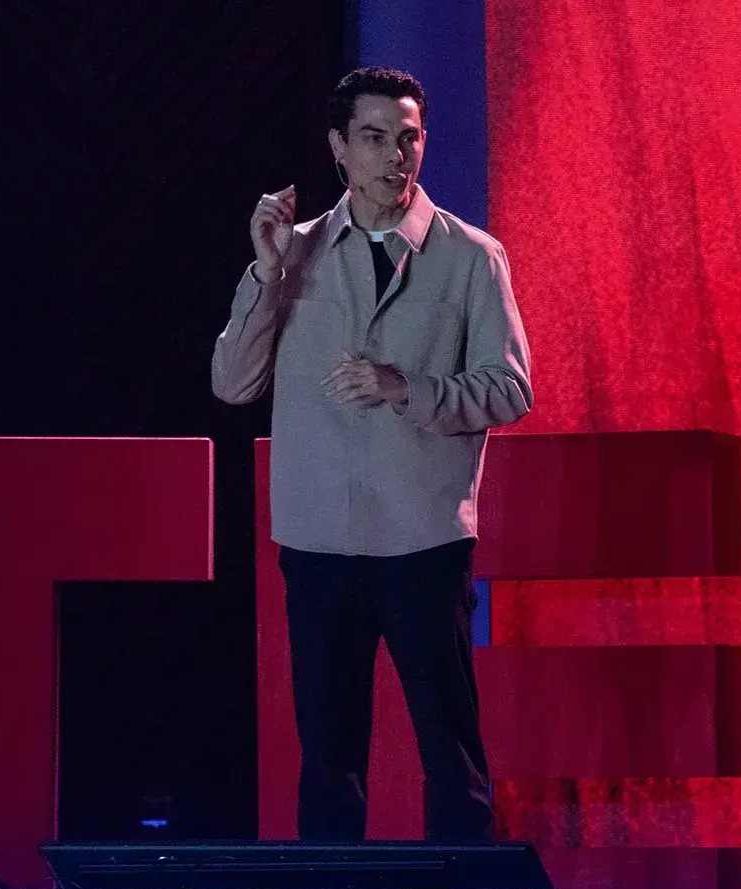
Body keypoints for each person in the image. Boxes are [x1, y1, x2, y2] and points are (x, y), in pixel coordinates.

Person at [211, 67, 533, 842]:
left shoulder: (472, 257)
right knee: (329, 757)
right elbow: (232, 383)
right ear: (339, 149)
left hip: (424, 542)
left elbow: (509, 389)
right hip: (320, 544)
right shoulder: (296, 254)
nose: (396, 154)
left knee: (450, 753)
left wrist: (407, 387)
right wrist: (265, 270)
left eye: (409, 136)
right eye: (375, 137)